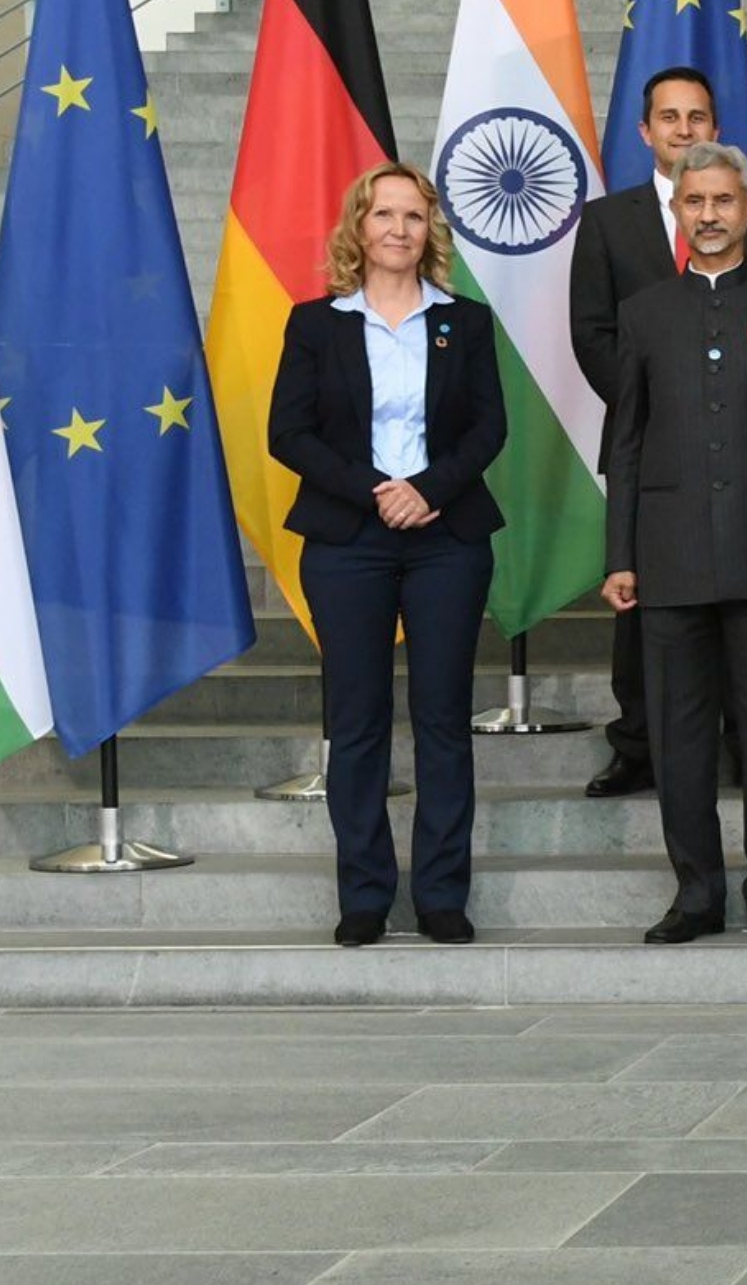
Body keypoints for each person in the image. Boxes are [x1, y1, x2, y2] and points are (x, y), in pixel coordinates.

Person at [599, 143, 747, 945]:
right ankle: (696, 892)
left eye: (723, 201)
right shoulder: (644, 313)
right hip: (665, 556)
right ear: (678, 211)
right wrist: (620, 555)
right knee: (678, 734)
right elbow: (625, 441)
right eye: (694, 201)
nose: (708, 215)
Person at [269, 162, 507, 947]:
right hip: (349, 540)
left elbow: (487, 428)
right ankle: (365, 895)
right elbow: (289, 433)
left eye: (413, 216)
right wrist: (377, 488)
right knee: (358, 719)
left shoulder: (464, 321)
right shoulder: (316, 322)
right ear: (358, 228)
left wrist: (428, 487)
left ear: (429, 229)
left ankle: (441, 893)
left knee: (442, 719)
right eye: (384, 215)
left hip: (446, 537)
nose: (399, 229)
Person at [564, 65, 747, 802]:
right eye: (670, 117)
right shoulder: (608, 221)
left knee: (741, 615)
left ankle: (737, 745)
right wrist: (660, 409)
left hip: (745, 454)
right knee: (647, 618)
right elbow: (592, 330)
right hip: (651, 448)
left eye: (698, 116)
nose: (684, 128)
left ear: (714, 127)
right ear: (645, 131)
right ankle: (638, 743)